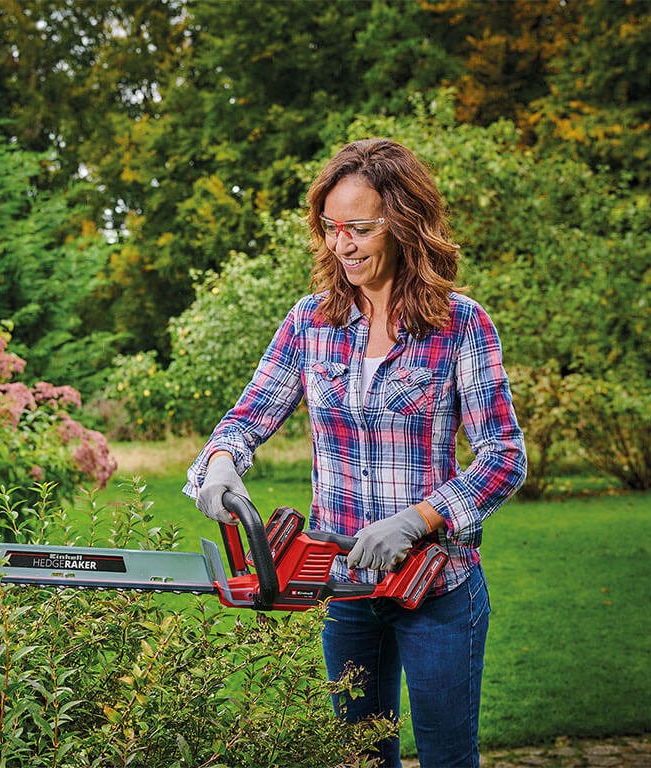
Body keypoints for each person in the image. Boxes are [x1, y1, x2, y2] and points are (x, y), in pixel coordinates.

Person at [183, 138, 527, 768]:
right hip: (344, 586)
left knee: (449, 757)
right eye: (332, 227)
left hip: (437, 587)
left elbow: (504, 455)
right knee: (361, 759)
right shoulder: (309, 322)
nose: (343, 244)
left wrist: (418, 519)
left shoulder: (461, 325)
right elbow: (248, 416)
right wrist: (223, 462)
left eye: (360, 228)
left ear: (403, 224)